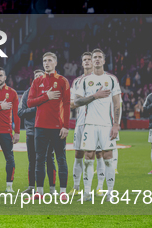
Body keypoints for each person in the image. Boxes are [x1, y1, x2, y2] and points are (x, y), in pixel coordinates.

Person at [74, 48, 121, 202]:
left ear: (104, 60)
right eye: (94, 57)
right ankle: (87, 193)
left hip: (107, 125)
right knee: (88, 157)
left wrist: (116, 124)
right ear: (92, 60)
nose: (97, 59)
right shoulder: (84, 81)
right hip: (89, 125)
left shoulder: (112, 79)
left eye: (100, 57)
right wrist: (94, 96)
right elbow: (77, 102)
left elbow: (117, 104)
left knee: (108, 158)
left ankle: (110, 193)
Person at [27, 52, 71, 200]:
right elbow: (29, 102)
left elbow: (66, 105)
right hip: (40, 126)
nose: (46, 63)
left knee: (61, 159)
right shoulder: (37, 82)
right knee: (40, 159)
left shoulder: (63, 81)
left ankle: (63, 191)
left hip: (58, 127)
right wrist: (47, 96)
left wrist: (66, 126)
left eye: (50, 60)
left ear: (55, 63)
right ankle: (39, 192)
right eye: (44, 60)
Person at [18, 69, 56, 195]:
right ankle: (31, 187)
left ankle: (52, 189)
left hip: (48, 131)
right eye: (36, 77)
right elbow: (20, 112)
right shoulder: (27, 93)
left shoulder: (51, 93)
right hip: (31, 132)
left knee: (50, 159)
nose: (38, 78)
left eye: (41, 76)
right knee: (32, 160)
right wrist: (36, 108)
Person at [68, 52, 93, 195]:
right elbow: (71, 103)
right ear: (82, 63)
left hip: (96, 123)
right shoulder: (76, 81)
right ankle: (76, 187)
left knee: (96, 155)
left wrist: (81, 100)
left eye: (90, 59)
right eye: (85, 60)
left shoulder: (101, 80)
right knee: (78, 153)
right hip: (81, 123)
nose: (88, 62)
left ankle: (95, 188)